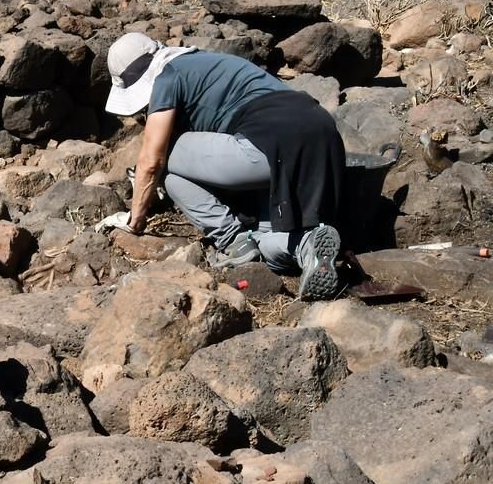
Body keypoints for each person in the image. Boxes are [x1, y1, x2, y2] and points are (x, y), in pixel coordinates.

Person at [101, 32, 346, 300]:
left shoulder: (166, 76)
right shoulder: (207, 61)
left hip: (267, 144)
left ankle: (232, 240)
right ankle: (306, 245)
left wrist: (135, 219)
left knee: (166, 156)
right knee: (266, 242)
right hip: (322, 136)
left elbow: (151, 161)